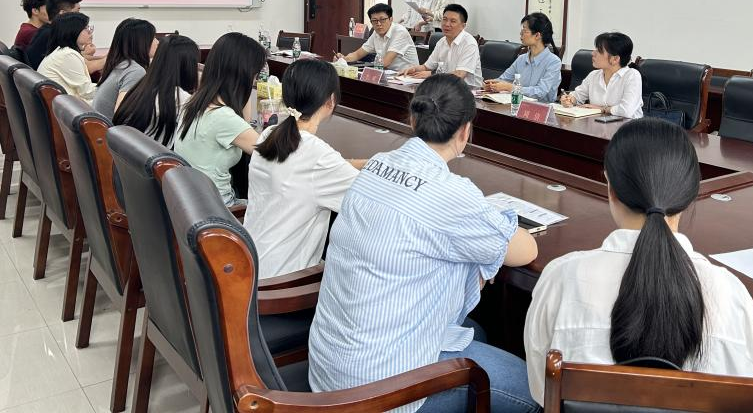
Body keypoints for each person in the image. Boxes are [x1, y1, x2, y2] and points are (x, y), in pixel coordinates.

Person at [308, 74, 540, 413]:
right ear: (465, 131)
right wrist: (489, 217)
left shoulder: (376, 165)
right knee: (533, 390)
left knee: (475, 331)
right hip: (381, 389)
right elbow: (525, 250)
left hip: (330, 370)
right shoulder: (452, 194)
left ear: (413, 119)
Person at [524, 118, 753, 400]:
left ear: (611, 188)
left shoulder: (561, 278)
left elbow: (542, 392)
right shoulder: (731, 294)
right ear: (690, 194)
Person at [245, 59, 364, 279]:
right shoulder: (317, 155)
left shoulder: (270, 133)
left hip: (251, 261)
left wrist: (364, 163)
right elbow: (370, 198)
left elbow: (315, 169)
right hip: (283, 280)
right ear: (331, 100)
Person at [174, 32, 266, 207]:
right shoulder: (223, 118)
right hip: (220, 209)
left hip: (192, 203)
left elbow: (243, 124)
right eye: (255, 75)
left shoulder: (194, 102)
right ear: (243, 75)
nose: (254, 81)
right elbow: (270, 154)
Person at [114, 34, 200, 147]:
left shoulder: (142, 86)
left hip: (131, 153)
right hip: (157, 155)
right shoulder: (178, 97)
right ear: (188, 66)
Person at [560, 32, 642, 118]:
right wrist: (569, 99)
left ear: (615, 59)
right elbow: (577, 96)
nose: (593, 53)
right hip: (598, 124)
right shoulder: (594, 75)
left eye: (599, 51)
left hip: (627, 125)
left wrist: (603, 109)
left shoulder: (632, 76)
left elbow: (626, 110)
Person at [483, 12, 562, 103]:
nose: (521, 33)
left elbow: (540, 92)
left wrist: (511, 87)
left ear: (537, 35)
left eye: (524, 30)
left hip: (541, 108)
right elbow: (503, 79)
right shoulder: (521, 59)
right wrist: (492, 84)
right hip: (518, 106)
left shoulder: (553, 62)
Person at [401, 4, 483, 89]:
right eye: (444, 19)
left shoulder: (469, 43)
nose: (447, 24)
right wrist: (414, 69)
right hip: (445, 87)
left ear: (463, 26)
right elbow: (426, 67)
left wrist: (432, 74)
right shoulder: (441, 42)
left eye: (453, 21)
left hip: (468, 91)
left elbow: (459, 75)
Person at [92, 18, 157, 119]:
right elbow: (123, 114)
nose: (157, 42)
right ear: (141, 42)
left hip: (102, 126)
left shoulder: (119, 65)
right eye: (153, 38)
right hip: (112, 128)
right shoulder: (135, 71)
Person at [26, 0, 102, 71]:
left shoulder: (47, 30)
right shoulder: (55, 34)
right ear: (63, 14)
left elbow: (79, 59)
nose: (79, 16)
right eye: (77, 12)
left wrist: (104, 58)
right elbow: (86, 66)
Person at [334, 3, 418, 71]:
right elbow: (357, 54)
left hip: (408, 77)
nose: (378, 24)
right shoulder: (376, 33)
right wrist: (343, 59)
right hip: (389, 75)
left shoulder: (400, 32)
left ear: (391, 19)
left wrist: (366, 68)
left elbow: (385, 62)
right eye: (374, 20)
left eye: (382, 19)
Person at [37, 11, 98, 102]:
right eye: (86, 28)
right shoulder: (67, 55)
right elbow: (87, 92)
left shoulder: (61, 51)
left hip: (66, 104)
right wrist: (112, 89)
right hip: (72, 107)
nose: (90, 32)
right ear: (73, 31)